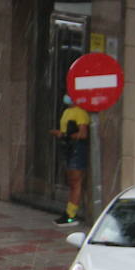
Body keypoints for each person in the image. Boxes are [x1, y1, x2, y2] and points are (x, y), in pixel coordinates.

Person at [50, 93, 91, 225]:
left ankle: (70, 214)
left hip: (77, 149)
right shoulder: (67, 111)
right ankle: (69, 211)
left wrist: (66, 135)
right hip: (68, 148)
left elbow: (82, 133)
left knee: (75, 182)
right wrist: (61, 134)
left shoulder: (80, 112)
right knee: (72, 182)